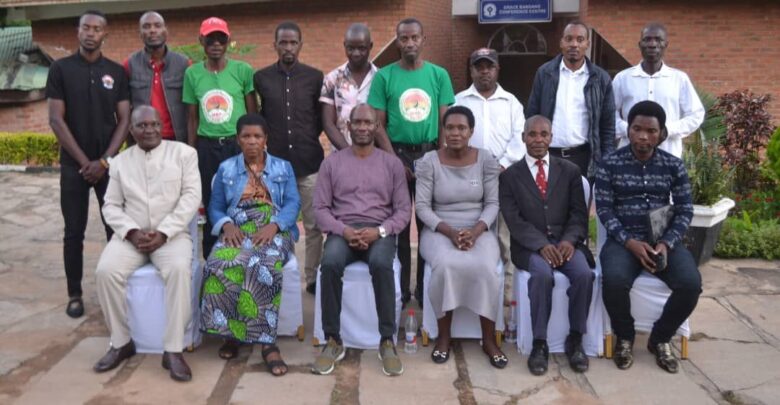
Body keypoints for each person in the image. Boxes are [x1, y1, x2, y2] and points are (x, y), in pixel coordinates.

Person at [93, 106, 201, 382]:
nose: (149, 130)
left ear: (161, 126)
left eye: (154, 124)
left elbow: (191, 197)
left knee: (179, 270)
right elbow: (111, 205)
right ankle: (121, 342)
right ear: (131, 130)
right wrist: (130, 232)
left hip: (171, 237)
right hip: (132, 238)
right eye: (142, 125)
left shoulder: (184, 154)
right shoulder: (120, 162)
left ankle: (173, 350)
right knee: (105, 271)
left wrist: (164, 232)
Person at [596, 100, 702, 374]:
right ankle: (625, 337)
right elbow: (605, 210)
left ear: (661, 133)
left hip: (663, 241)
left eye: (651, 131)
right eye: (637, 129)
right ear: (628, 130)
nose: (643, 136)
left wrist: (667, 243)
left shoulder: (673, 165)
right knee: (614, 280)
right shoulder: (609, 164)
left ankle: (660, 338)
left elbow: (685, 209)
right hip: (623, 241)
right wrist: (630, 242)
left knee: (691, 284)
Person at [312, 104, 411, 377]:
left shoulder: (391, 164)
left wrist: (380, 231)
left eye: (368, 123)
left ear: (377, 127)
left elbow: (403, 210)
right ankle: (333, 339)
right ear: (349, 126)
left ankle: (387, 340)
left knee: (381, 264)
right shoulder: (332, 163)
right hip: (343, 230)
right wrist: (342, 230)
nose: (363, 127)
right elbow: (320, 208)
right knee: (329, 264)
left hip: (378, 232)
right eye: (358, 122)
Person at [200, 113, 300, 377]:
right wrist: (226, 225)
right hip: (238, 225)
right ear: (238, 139)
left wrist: (276, 225)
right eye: (246, 136)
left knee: (263, 264)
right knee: (219, 263)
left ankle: (267, 344)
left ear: (266, 139)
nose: (252, 141)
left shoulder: (283, 167)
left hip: (272, 225)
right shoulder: (226, 169)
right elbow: (215, 206)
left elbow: (293, 203)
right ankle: (231, 334)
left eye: (257, 136)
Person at [45, 9, 131, 318]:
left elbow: (125, 119)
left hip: (108, 166)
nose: (91, 33)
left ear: (105, 34)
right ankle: (75, 294)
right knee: (74, 231)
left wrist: (105, 160)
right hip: (74, 167)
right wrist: (85, 163)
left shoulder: (116, 72)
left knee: (115, 228)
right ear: (78, 31)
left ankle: (117, 289)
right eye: (86, 27)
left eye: (97, 29)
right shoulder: (61, 69)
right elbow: (56, 119)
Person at [368, 17, 455, 306]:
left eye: (414, 37)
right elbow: (377, 124)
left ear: (423, 39)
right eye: (404, 38)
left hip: (430, 154)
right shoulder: (384, 77)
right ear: (397, 42)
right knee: (401, 227)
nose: (409, 43)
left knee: (429, 224)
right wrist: (394, 160)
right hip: (396, 154)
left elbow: (445, 120)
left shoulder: (439, 75)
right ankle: (403, 291)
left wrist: (439, 155)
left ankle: (424, 289)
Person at [499, 115, 593, 376]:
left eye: (544, 134)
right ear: (523, 138)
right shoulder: (510, 177)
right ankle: (539, 344)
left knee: (584, 274)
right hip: (530, 246)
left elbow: (578, 214)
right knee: (542, 275)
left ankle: (576, 339)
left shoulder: (570, 171)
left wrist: (569, 241)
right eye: (532, 134)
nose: (538, 139)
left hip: (565, 243)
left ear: (551, 138)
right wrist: (541, 245)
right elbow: (514, 221)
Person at [415, 106, 506, 369]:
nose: (455, 133)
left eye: (461, 128)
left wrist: (476, 231)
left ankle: (489, 339)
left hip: (479, 228)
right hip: (439, 230)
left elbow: (493, 203)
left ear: (471, 131)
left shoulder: (485, 159)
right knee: (445, 265)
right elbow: (422, 207)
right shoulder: (429, 161)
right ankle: (444, 337)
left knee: (486, 267)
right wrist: (451, 232)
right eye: (450, 128)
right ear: (443, 131)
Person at [255, 21, 324, 295]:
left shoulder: (315, 77)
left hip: (309, 162)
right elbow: (259, 118)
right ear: (275, 45)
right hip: (275, 167)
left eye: (293, 42)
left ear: (300, 45)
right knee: (277, 223)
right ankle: (283, 273)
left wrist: (304, 138)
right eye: (283, 42)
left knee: (314, 224)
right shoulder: (261, 78)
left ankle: (312, 278)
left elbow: (319, 119)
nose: (288, 47)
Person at [183, 16, 256, 259]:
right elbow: (192, 117)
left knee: (241, 198)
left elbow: (252, 114)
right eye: (210, 39)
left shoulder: (242, 70)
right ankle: (212, 256)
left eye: (221, 39)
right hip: (207, 147)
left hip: (236, 146)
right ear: (201, 41)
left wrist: (253, 148)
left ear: (228, 41)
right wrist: (191, 152)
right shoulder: (192, 73)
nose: (216, 44)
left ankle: (242, 251)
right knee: (211, 198)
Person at [454, 47, 526, 273]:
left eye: (489, 67)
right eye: (479, 67)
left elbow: (520, 138)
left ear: (497, 69)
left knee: (505, 236)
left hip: (505, 176)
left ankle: (507, 288)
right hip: (469, 177)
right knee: (475, 232)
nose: (484, 71)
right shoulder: (459, 101)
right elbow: (452, 137)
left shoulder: (511, 102)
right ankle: (476, 282)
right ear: (471, 71)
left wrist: (502, 165)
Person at [525, 21, 615, 181]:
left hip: (584, 159)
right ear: (561, 42)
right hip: (549, 156)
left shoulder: (601, 79)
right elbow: (532, 114)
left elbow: (607, 128)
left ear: (587, 44)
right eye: (569, 39)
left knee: (582, 198)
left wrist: (606, 163)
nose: (574, 44)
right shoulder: (545, 73)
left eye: (580, 39)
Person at [612, 22, 704, 158]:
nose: (652, 44)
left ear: (666, 44)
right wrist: (629, 129)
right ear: (640, 44)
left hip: (668, 155)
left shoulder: (679, 79)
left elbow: (696, 114)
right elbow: (608, 113)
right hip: (629, 156)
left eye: (658, 40)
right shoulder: (623, 78)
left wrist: (668, 130)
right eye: (647, 39)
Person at [124, 11, 190, 142]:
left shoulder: (184, 64)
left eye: (157, 25)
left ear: (166, 31)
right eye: (146, 26)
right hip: (143, 140)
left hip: (177, 139)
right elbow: (125, 109)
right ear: (140, 34)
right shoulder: (130, 64)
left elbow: (192, 108)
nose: (152, 30)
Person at [320, 23, 377, 150]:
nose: (356, 53)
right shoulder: (332, 79)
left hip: (375, 154)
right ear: (344, 46)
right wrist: (348, 153)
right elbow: (328, 123)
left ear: (370, 46)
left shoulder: (380, 79)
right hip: (341, 152)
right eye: (351, 48)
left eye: (362, 48)